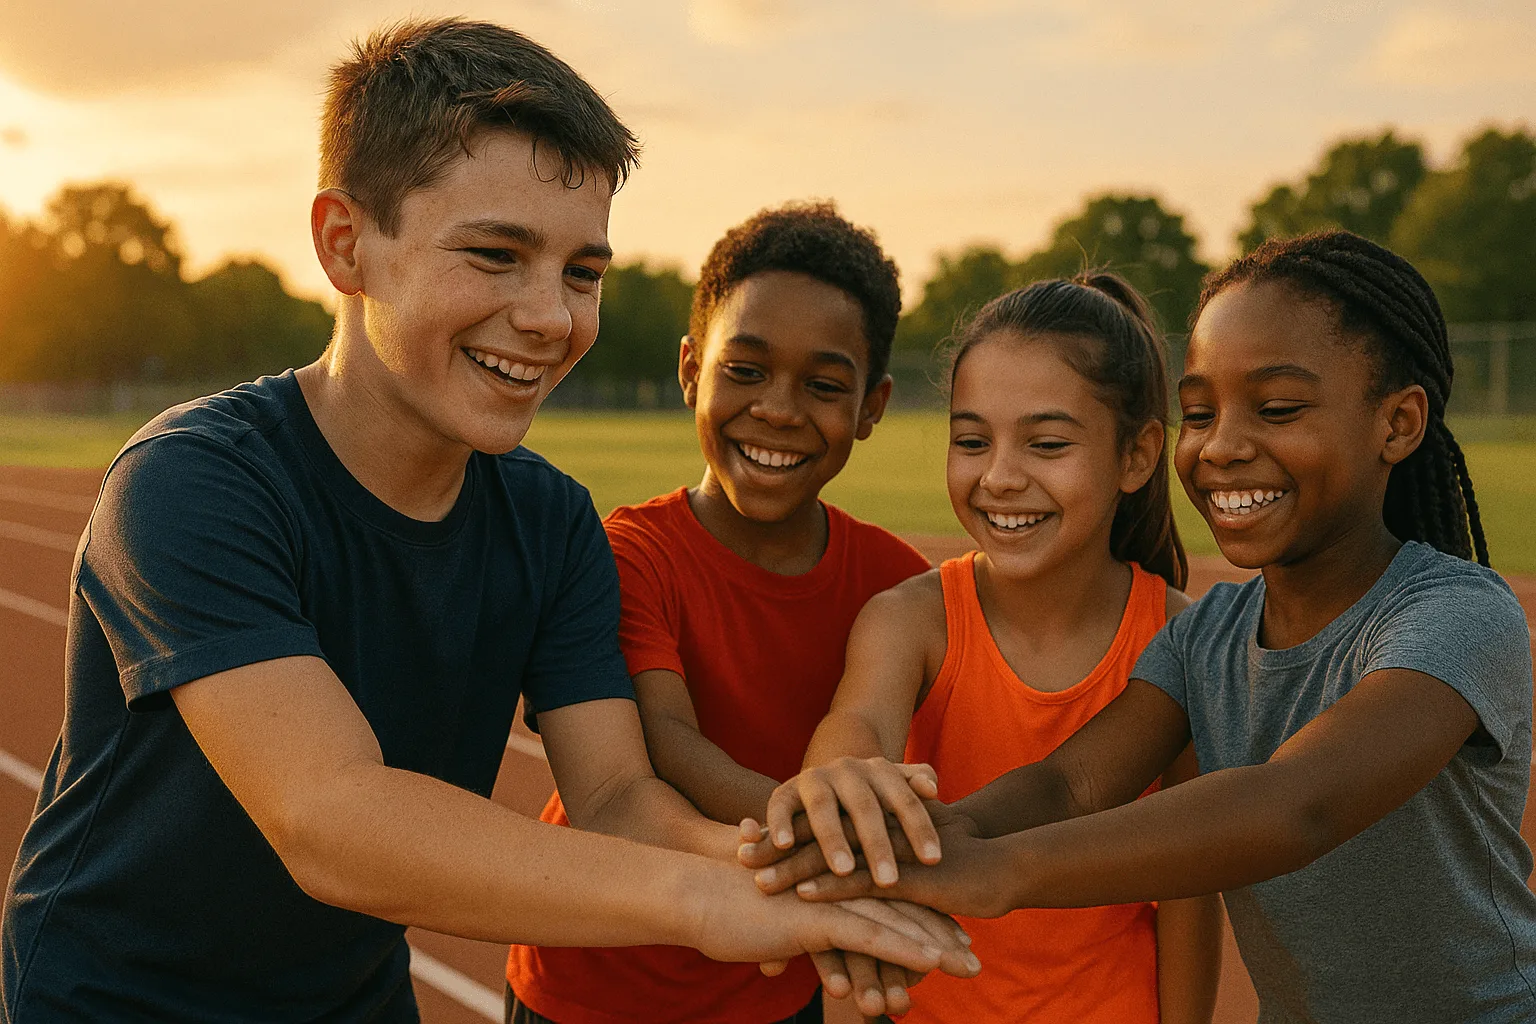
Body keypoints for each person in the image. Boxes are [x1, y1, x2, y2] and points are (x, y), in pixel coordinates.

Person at [0, 20, 971, 1022]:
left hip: (353, 1000)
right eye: (498, 254)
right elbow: (329, 813)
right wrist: (706, 900)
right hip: (115, 1001)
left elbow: (616, 801)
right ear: (346, 244)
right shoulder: (193, 483)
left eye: (581, 273)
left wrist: (791, 876)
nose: (551, 315)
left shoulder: (549, 521)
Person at [749, 231, 1536, 1023]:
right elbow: (1073, 781)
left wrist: (1000, 872)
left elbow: (1296, 806)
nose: (1223, 445)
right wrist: (934, 840)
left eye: (1278, 408)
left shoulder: (1458, 614)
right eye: (1200, 412)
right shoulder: (1209, 637)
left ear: (1397, 423)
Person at [506, 202, 952, 1024]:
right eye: (744, 370)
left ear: (873, 405)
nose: (778, 409)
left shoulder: (897, 583)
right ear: (690, 371)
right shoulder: (632, 552)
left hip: (774, 985)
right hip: (593, 985)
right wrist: (818, 827)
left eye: (822, 385)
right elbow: (665, 739)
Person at [755, 274, 1222, 1022]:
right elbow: (859, 726)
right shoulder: (912, 620)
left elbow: (1191, 889)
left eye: (1046, 443)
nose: (1000, 477)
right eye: (972, 441)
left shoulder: (1176, 635)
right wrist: (839, 772)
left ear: (1137, 456)